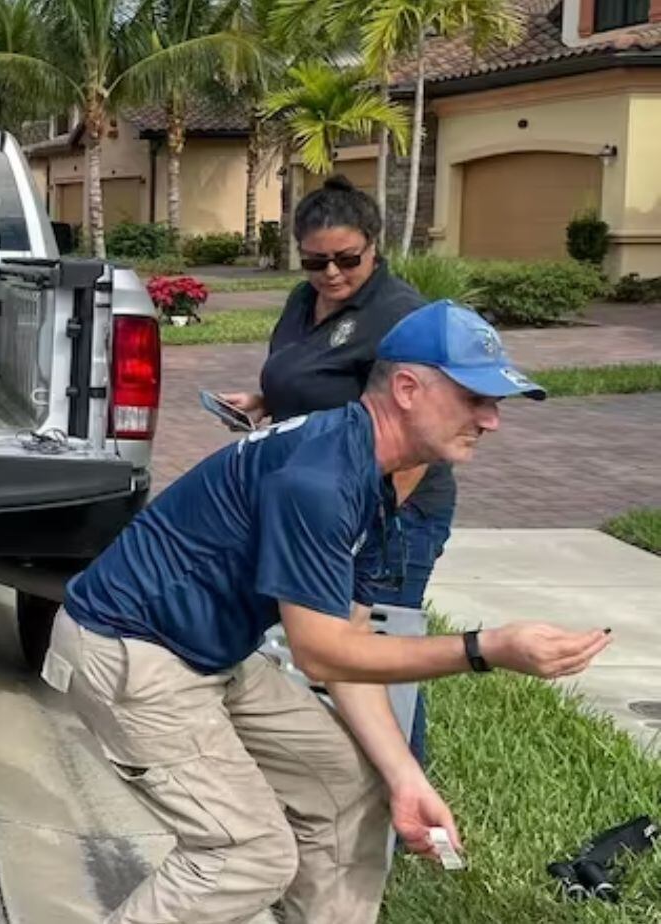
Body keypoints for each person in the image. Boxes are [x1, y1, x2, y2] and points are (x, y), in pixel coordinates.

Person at [43, 301, 612, 923]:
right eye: (476, 397)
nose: (492, 419)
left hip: (211, 655)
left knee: (347, 786)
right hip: (130, 652)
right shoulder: (319, 478)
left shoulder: (378, 475)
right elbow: (319, 652)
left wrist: (405, 779)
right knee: (246, 855)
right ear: (406, 389)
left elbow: (350, 644)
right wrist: (485, 649)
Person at [219, 176, 452, 761]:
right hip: (321, 500)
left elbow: (423, 435)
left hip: (391, 511)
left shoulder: (401, 317)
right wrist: (264, 401)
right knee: (327, 652)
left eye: (346, 259)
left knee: (375, 654)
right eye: (314, 261)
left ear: (374, 245)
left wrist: (370, 525)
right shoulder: (306, 301)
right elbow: (317, 382)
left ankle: (404, 807)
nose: (330, 274)